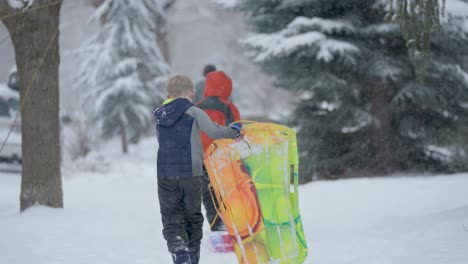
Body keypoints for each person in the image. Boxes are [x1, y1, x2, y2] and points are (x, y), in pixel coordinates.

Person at [153, 75, 241, 264]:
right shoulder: (193, 111)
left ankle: (179, 251)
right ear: (191, 92)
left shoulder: (159, 114)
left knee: (171, 215)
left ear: (168, 93)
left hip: (165, 173)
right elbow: (214, 131)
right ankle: (192, 256)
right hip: (191, 173)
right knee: (192, 215)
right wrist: (234, 131)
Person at [196, 70, 241, 232]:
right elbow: (236, 130)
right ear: (226, 87)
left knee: (208, 192)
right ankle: (231, 222)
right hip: (222, 158)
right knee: (226, 189)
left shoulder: (198, 107)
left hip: (200, 157)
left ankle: (216, 224)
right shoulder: (228, 107)